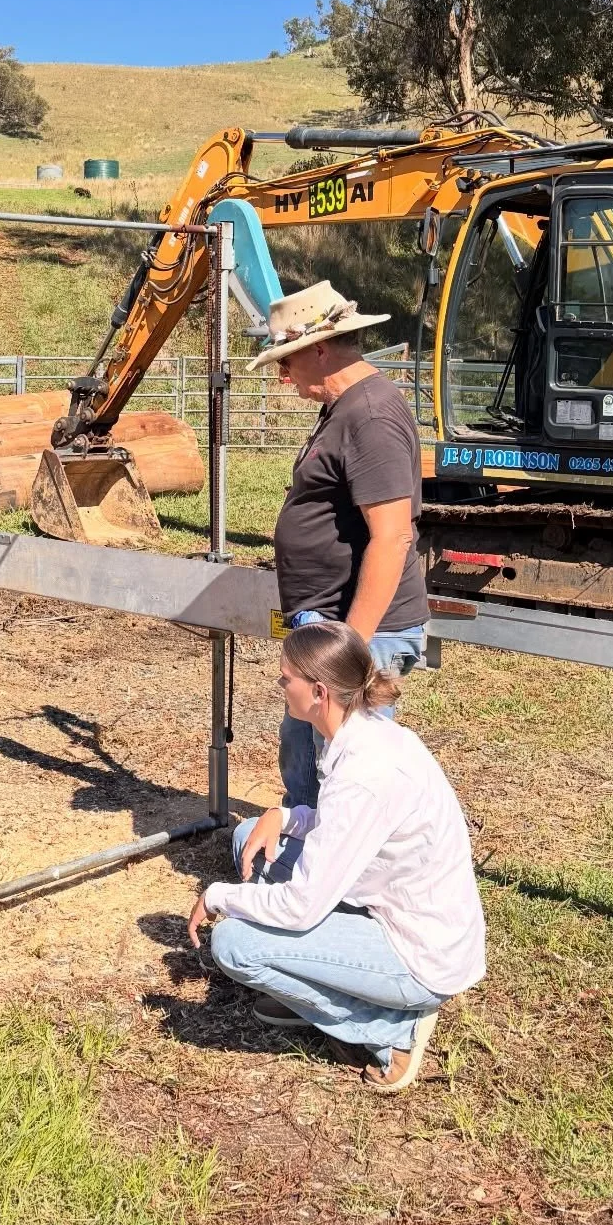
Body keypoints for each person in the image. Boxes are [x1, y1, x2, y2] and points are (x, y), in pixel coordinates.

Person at [188, 619, 485, 1092]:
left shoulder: (364, 774)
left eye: (286, 677)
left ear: (318, 692)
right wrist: (284, 817)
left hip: (417, 955)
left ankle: (392, 1029)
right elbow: (340, 824)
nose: (280, 685)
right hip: (391, 905)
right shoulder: (362, 732)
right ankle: (318, 983)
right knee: (249, 838)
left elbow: (301, 906)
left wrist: (218, 896)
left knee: (234, 944)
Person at [249, 279, 429, 843]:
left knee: (347, 775)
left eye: (287, 360)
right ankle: (308, 863)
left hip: (356, 631)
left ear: (321, 349)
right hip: (327, 627)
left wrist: (350, 648)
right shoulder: (345, 409)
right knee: (306, 758)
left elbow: (392, 537)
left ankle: (343, 876)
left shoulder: (370, 416)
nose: (283, 375)